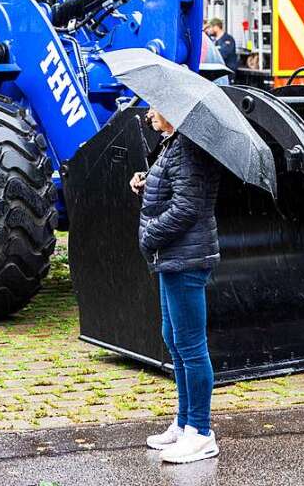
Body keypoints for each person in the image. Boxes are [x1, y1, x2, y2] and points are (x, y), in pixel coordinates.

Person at [130, 108, 222, 464]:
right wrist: (146, 179)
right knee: (174, 339)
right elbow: (173, 188)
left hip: (186, 258)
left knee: (191, 346)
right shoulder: (173, 145)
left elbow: (186, 207)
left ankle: (201, 432)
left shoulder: (186, 149)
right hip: (174, 257)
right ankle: (184, 425)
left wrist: (149, 237)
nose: (150, 112)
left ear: (176, 113)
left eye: (156, 107)